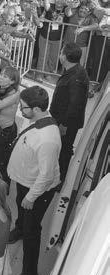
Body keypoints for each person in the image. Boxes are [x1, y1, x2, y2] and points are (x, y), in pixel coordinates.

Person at [8, 86, 61, 275]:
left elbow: (46, 175)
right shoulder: (36, 120)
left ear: (37, 109)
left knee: (32, 230)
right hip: (26, 182)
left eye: (23, 107)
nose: (20, 110)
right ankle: (19, 228)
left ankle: (29, 273)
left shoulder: (48, 139)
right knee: (21, 211)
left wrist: (31, 197)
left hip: (38, 190)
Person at [49, 43, 89, 182]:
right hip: (62, 120)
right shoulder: (73, 70)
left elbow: (75, 105)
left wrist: (64, 125)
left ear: (64, 57)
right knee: (62, 149)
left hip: (66, 123)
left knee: (63, 151)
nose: (60, 54)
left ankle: (58, 180)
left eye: (61, 52)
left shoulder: (76, 77)